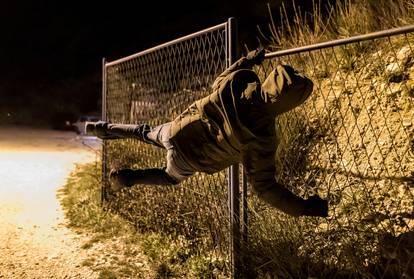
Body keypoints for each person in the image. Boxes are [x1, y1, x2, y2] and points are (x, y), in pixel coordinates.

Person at [86, 48, 328, 217]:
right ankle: (128, 179)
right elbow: (265, 188)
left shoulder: (236, 85)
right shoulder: (262, 138)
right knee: (168, 177)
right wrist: (304, 208)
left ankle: (102, 128)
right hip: (189, 159)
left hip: (177, 131)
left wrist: (247, 61)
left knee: (143, 131)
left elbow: (221, 77)